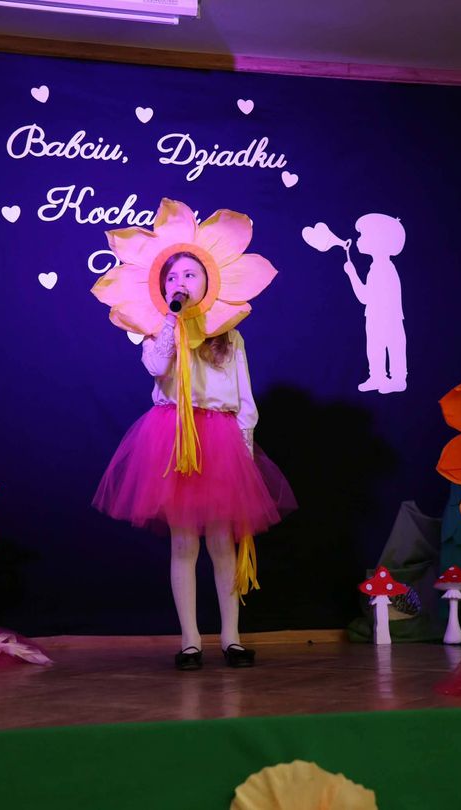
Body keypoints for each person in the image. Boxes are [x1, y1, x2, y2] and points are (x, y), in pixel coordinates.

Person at [92, 200, 296, 670]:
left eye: (189, 275)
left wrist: (244, 451)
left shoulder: (230, 336)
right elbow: (156, 366)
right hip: (173, 439)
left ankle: (231, 637)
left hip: (220, 441)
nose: (179, 283)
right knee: (184, 543)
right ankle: (190, 640)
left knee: (222, 542)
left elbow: (244, 399)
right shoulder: (157, 330)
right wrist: (171, 320)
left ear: (208, 282)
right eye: (171, 277)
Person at [343, 213, 407, 394]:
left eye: (363, 235)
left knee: (391, 345)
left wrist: (352, 274)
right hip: (377, 316)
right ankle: (378, 377)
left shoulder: (382, 269)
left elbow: (364, 297)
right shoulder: (379, 267)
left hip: (387, 317)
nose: (359, 239)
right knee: (375, 346)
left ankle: (397, 379)